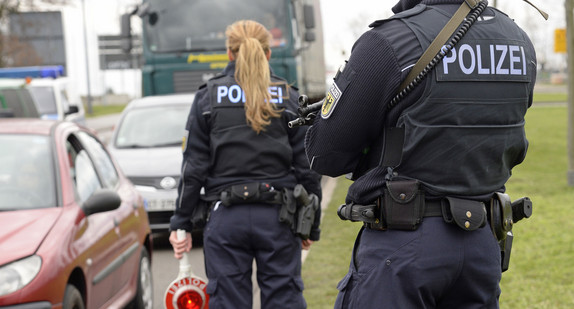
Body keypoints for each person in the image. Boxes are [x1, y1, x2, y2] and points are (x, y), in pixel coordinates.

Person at [304, 0, 537, 308]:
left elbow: (325, 154)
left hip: (402, 250)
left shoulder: (390, 41)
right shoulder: (520, 42)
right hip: (481, 244)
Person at [169, 20, 322, 309]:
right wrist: (310, 227)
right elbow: (307, 168)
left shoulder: (208, 97)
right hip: (280, 218)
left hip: (225, 220)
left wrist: (181, 222)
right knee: (284, 300)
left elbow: (194, 168)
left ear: (229, 53)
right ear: (268, 54)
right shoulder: (288, 97)